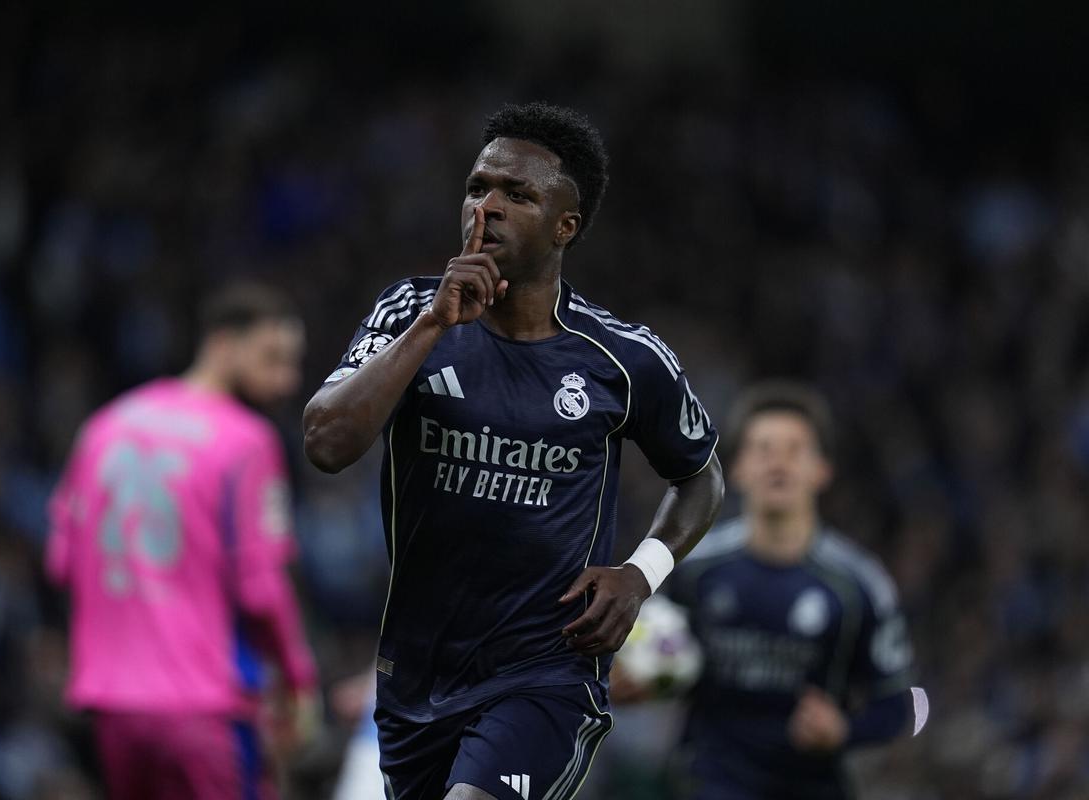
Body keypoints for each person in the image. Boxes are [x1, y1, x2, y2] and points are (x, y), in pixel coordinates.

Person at [302, 102, 725, 800]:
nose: (488, 207)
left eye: (517, 195)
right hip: (417, 678)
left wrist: (639, 574)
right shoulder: (409, 313)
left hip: (545, 675)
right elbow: (326, 442)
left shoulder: (622, 359)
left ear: (567, 226)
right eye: (478, 188)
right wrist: (435, 324)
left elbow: (701, 478)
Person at [46, 283, 318, 800]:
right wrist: (297, 680)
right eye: (272, 358)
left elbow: (61, 561)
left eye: (292, 362)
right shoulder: (246, 441)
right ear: (222, 343)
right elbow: (261, 591)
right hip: (205, 705)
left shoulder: (106, 426)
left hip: (112, 707)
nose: (287, 380)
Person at [660, 381, 916, 799]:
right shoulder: (694, 570)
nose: (778, 463)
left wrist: (845, 730)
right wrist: (635, 683)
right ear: (737, 468)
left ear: (822, 469)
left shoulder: (859, 584)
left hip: (813, 785)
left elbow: (907, 704)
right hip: (712, 779)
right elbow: (657, 660)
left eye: (795, 450)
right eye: (763, 449)